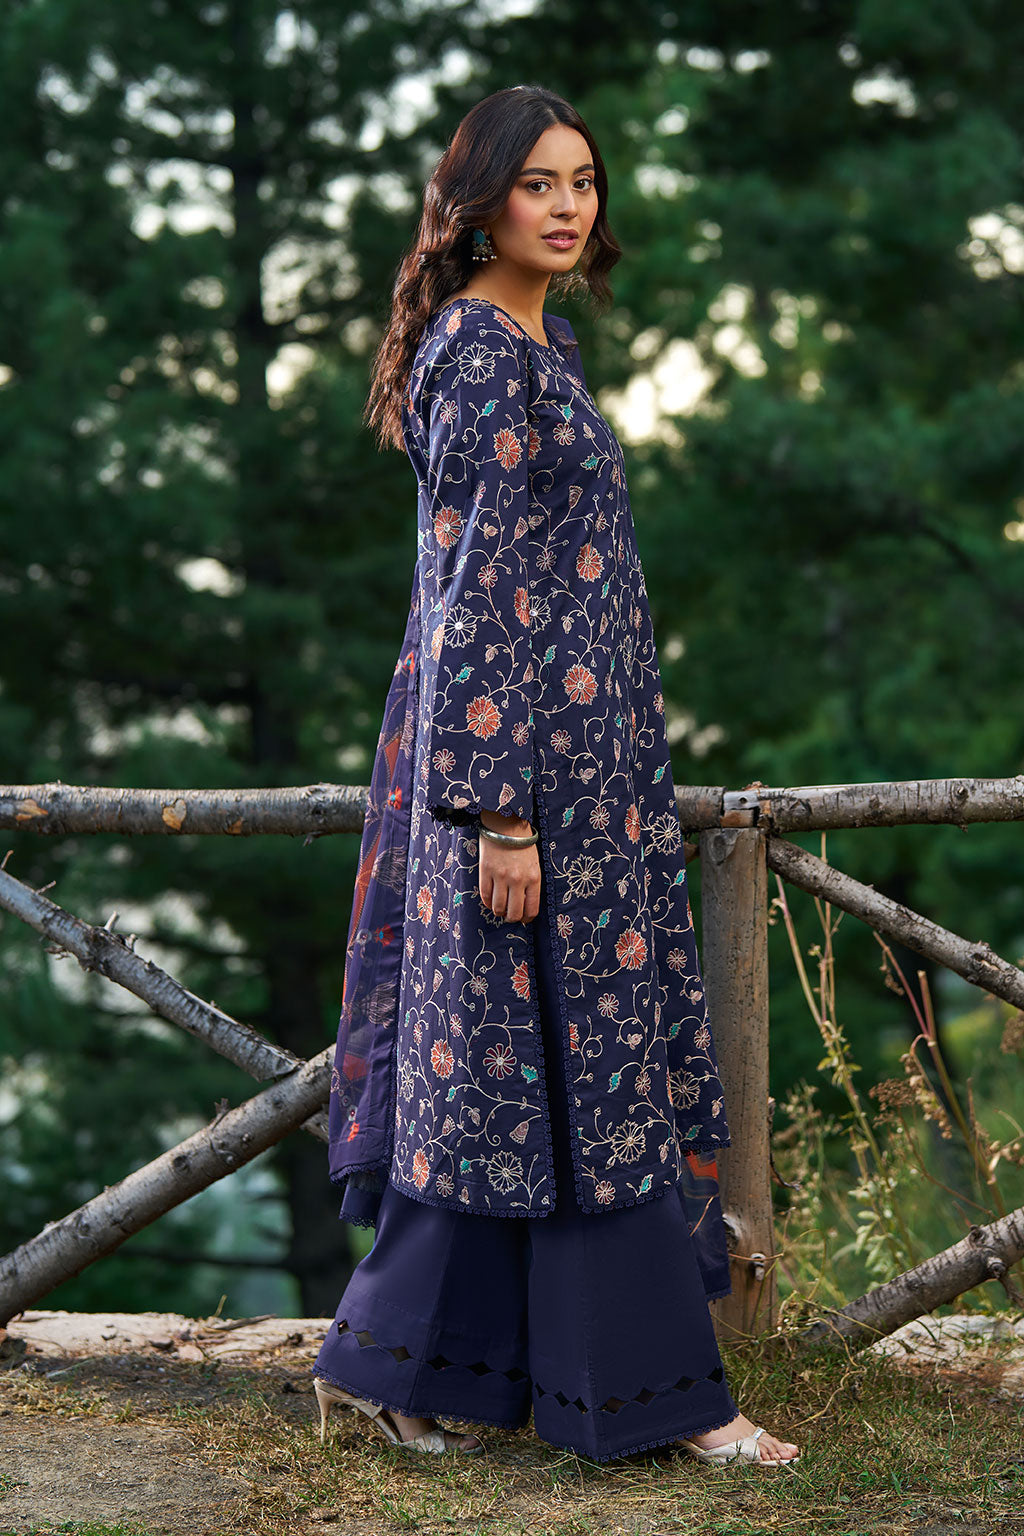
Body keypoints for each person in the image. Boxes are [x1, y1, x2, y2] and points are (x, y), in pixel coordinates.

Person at [311, 84, 799, 1468]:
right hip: (520, 788)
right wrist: (501, 814)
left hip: (589, 782)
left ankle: (399, 1369)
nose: (570, 206)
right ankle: (664, 1402)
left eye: (584, 181)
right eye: (539, 183)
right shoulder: (479, 352)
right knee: (560, 1070)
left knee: (534, 1074)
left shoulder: (541, 340)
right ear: (480, 202)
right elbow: (475, 598)